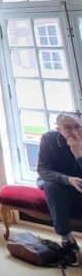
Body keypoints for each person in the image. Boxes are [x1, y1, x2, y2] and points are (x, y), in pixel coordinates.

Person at [37, 112, 82, 261]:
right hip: (56, 181)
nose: (74, 131)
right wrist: (67, 179)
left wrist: (79, 155)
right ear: (58, 129)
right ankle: (66, 238)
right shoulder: (48, 139)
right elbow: (43, 170)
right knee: (51, 187)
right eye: (68, 128)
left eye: (77, 126)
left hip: (79, 181)